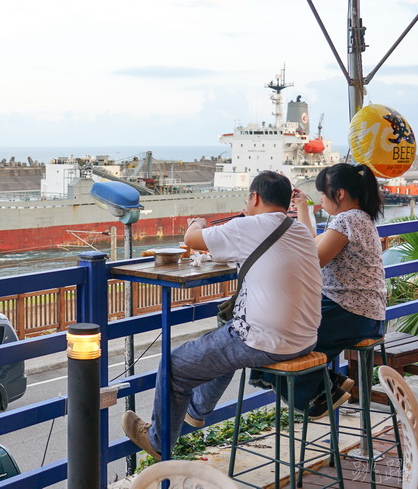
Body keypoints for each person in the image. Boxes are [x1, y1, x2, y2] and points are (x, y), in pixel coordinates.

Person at [121, 170, 322, 460]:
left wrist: (197, 222)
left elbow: (192, 239)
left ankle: (158, 440)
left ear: (255, 197)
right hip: (306, 338)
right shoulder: (300, 230)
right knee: (223, 334)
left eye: (247, 198)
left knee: (174, 364)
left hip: (267, 342)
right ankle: (196, 411)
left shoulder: (249, 226)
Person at [272, 162, 386, 419]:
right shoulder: (359, 218)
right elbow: (312, 244)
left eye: (323, 193)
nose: (321, 200)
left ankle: (323, 392)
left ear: (340, 194)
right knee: (285, 334)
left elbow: (313, 260)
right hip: (366, 314)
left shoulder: (347, 220)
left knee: (278, 339)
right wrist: (302, 207)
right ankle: (328, 384)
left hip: (351, 314)